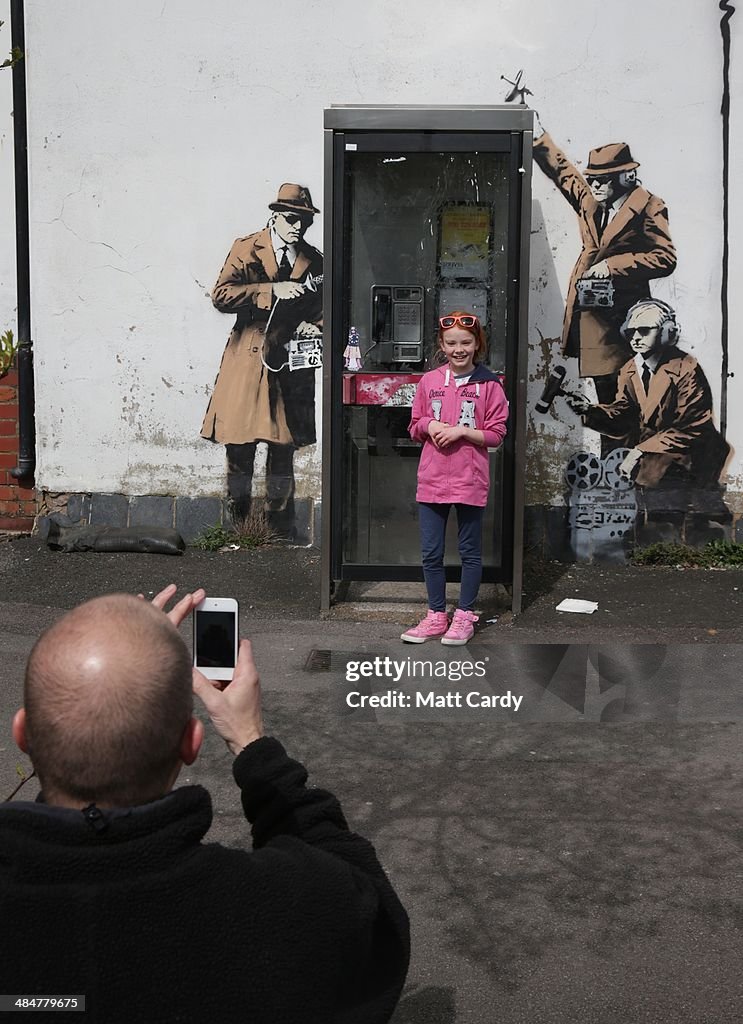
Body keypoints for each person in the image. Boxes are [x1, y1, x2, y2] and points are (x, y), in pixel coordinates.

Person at [1, 585, 410, 1024]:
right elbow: (373, 912)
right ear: (190, 743)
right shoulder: (281, 909)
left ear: (22, 734)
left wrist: (125, 651)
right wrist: (252, 745)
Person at [201, 183, 323, 539]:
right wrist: (270, 290)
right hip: (248, 358)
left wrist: (313, 325)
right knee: (239, 444)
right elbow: (221, 295)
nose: (297, 226)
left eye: (304, 220)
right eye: (290, 218)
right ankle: (237, 525)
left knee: (283, 447)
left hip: (288, 359)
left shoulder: (313, 259)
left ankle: (279, 527)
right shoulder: (246, 248)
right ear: (274, 216)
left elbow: (325, 306)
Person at [532, 129, 676, 403]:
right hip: (592, 323)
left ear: (625, 178)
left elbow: (665, 257)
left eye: (603, 180)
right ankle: (611, 447)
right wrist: (539, 135)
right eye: (593, 180)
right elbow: (566, 176)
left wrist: (614, 265)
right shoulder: (593, 205)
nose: (595, 186)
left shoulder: (649, 206)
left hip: (624, 325)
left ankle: (621, 447)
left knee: (626, 404)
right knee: (607, 404)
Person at [401, 313, 509, 646]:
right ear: (441, 345)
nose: (458, 349)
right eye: (451, 343)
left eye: (466, 342)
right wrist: (429, 427)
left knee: (469, 552)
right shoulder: (429, 382)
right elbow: (415, 423)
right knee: (431, 553)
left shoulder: (490, 385)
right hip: (432, 479)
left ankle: (464, 615)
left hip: (469, 479)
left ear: (478, 344)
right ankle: (436, 615)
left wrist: (464, 431)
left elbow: (497, 434)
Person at [565, 299, 729, 488]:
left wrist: (641, 450)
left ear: (666, 333)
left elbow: (691, 428)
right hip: (654, 459)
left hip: (692, 460)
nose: (635, 337)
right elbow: (624, 415)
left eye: (644, 330)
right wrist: (590, 410)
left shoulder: (686, 367)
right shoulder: (629, 369)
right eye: (630, 332)